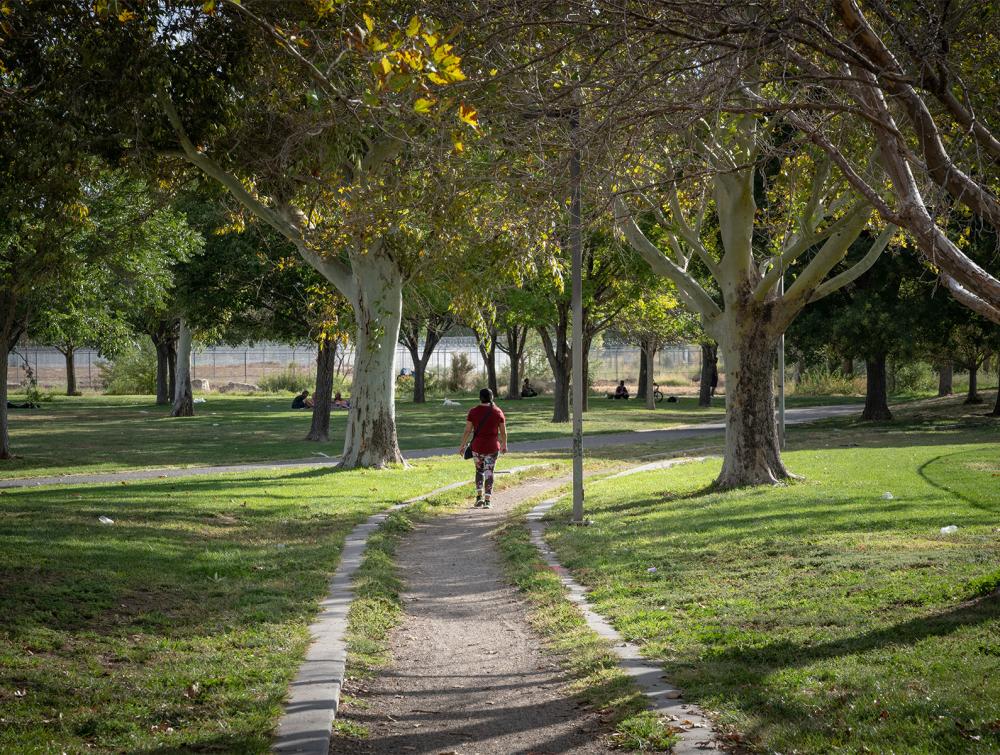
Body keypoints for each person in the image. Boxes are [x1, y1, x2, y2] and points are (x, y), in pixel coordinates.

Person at [458, 388, 507, 509]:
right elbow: (503, 432)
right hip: (492, 447)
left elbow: (467, 430)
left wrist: (462, 445)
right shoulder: (498, 412)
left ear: (480, 398)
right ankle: (488, 501)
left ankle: (479, 497)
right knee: (489, 472)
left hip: (477, 447)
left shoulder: (473, 411)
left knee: (479, 471)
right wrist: (505, 444)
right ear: (492, 397)